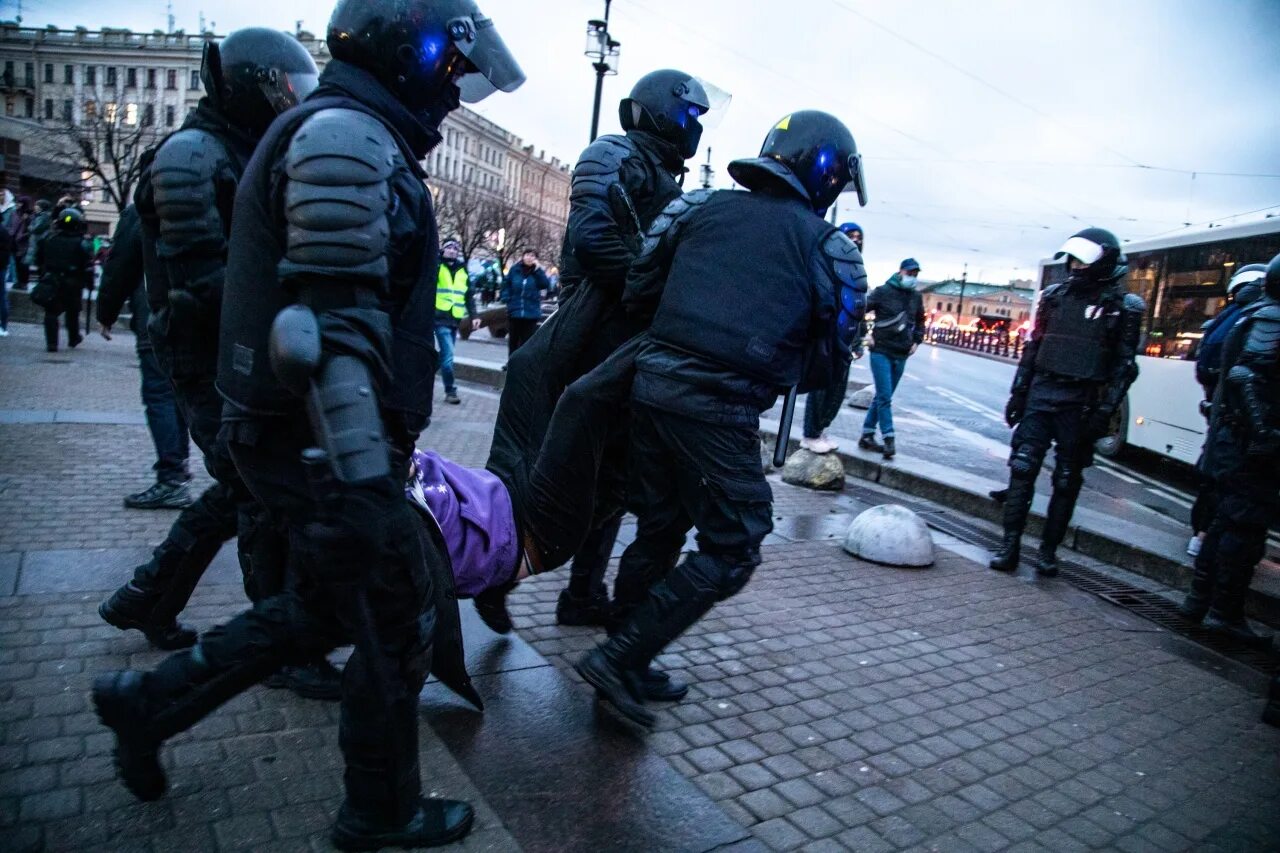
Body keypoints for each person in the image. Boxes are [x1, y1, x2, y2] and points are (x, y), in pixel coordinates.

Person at [92, 2, 524, 848]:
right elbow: (327, 328)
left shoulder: (351, 131)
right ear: (417, 54)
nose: (452, 93)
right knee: (399, 615)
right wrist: (359, 479)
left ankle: (147, 703)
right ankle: (378, 809)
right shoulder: (347, 140)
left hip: (302, 439)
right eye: (449, 72)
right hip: (315, 444)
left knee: (325, 610)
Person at [573, 110, 869, 728]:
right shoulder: (830, 248)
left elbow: (639, 287)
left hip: (652, 389)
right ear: (829, 174)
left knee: (659, 526)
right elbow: (829, 360)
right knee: (736, 543)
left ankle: (628, 661)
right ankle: (620, 655)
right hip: (720, 409)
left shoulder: (697, 206)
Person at [97, 28, 338, 699]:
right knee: (260, 493)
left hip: (235, 352)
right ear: (250, 84)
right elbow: (203, 281)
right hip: (205, 356)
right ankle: (280, 647)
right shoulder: (191, 156)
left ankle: (148, 595)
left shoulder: (240, 147)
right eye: (284, 89)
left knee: (242, 486)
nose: (292, 101)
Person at [484, 69, 718, 631]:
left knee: (613, 482)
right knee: (560, 480)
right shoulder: (614, 153)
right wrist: (652, 293)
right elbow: (595, 240)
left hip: (624, 346)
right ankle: (496, 575)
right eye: (692, 117)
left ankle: (582, 594)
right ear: (665, 111)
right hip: (592, 343)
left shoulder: (660, 172)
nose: (695, 130)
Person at [990, 228, 1144, 576]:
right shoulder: (1055, 296)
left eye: (1082, 260)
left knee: (1066, 478)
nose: (1074, 266)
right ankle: (1009, 545)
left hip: (1083, 401)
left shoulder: (1123, 307)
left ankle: (1047, 552)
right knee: (1023, 469)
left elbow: (1124, 368)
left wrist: (1105, 411)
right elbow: (1033, 347)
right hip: (1043, 393)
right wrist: (1019, 393)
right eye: (1072, 259)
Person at [1178, 253, 1280, 649]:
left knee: (1222, 523)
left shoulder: (1248, 311)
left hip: (1230, 440)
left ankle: (1198, 600)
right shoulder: (1271, 319)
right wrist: (1265, 434)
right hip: (1250, 449)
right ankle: (1224, 613)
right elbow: (1247, 376)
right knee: (1244, 531)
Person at [96, 205, 193, 509]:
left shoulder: (143, 207)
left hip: (158, 313)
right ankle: (179, 466)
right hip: (198, 313)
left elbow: (121, 265)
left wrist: (106, 312)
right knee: (182, 394)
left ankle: (171, 478)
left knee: (160, 394)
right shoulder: (207, 193)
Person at [1186, 263, 1267, 556]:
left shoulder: (1228, 320)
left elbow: (1204, 366)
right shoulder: (1254, 320)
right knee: (1244, 496)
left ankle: (1202, 538)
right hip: (1253, 424)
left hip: (1224, 417)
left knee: (1215, 482)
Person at [801, 221, 865, 453]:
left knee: (836, 390)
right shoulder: (828, 266)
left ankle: (819, 430)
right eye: (851, 236)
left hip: (844, 341)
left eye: (859, 236)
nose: (856, 240)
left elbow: (858, 309)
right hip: (827, 338)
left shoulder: (856, 271)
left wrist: (858, 343)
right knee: (822, 388)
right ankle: (811, 433)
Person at [858, 258, 925, 460]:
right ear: (900, 272)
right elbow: (859, 309)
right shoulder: (883, 291)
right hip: (881, 350)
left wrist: (917, 340)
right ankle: (889, 438)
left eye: (915, 275)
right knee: (885, 396)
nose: (912, 278)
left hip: (901, 353)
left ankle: (867, 434)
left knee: (882, 396)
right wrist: (864, 335)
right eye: (909, 273)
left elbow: (921, 320)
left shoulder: (916, 297)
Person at [33, 207, 91, 352]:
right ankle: (73, 338)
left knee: (51, 311)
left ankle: (52, 343)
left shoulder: (49, 239)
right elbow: (87, 265)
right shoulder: (81, 243)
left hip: (52, 279)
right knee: (72, 311)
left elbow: (39, 258)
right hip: (72, 282)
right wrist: (88, 281)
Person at [434, 239, 478, 405]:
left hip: (455, 319)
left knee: (446, 355)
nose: (452, 250)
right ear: (443, 250)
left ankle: (425, 370)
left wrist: (474, 316)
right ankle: (450, 391)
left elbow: (469, 296)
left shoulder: (462, 269)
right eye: (449, 248)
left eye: (455, 248)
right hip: (439, 318)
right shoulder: (437, 266)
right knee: (448, 357)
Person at [500, 247, 549, 355]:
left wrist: (538, 270)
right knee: (513, 340)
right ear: (523, 256)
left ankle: (522, 366)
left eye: (532, 256)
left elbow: (545, 284)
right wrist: (506, 297)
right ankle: (511, 363)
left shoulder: (537, 272)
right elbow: (506, 284)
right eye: (527, 255)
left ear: (536, 259)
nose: (529, 258)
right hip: (515, 311)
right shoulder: (515, 269)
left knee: (526, 342)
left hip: (531, 313)